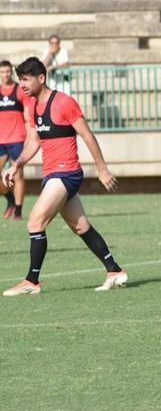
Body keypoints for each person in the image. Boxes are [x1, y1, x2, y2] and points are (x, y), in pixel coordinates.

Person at [2, 57, 126, 296]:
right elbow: (34, 141)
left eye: (26, 79)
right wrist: (16, 165)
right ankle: (114, 270)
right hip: (53, 174)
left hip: (66, 173)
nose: (23, 85)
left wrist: (102, 169)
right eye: (20, 80)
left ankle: (31, 280)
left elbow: (88, 136)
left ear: (41, 78)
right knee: (81, 227)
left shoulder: (64, 103)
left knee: (35, 222)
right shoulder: (31, 104)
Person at [0, 60, 27, 220]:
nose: (5, 75)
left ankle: (18, 210)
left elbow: (29, 114)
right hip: (1, 140)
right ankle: (9, 199)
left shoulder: (19, 90)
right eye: (2, 72)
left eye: (8, 72)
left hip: (17, 138)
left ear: (11, 72)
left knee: (18, 175)